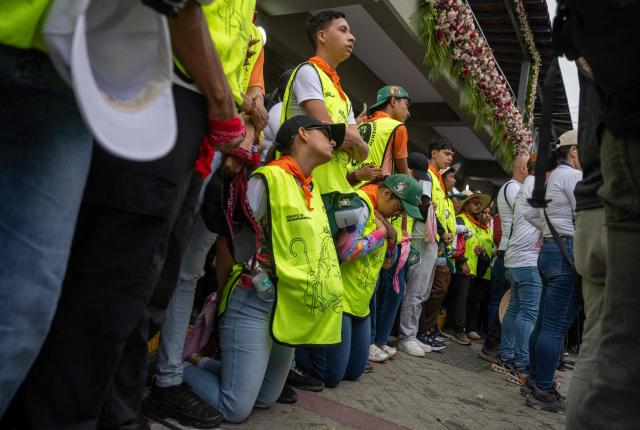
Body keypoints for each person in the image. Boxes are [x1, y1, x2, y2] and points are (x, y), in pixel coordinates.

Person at [8, 1, 248, 427]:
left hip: (192, 103)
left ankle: (116, 411)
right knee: (107, 286)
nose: (352, 35)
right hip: (161, 81)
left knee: (144, 288)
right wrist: (219, 97)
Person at [145, 9, 269, 427]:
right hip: (181, 110)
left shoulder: (253, 33)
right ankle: (150, 379)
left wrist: (244, 138)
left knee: (185, 271)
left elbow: (258, 108)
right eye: (342, 29)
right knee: (149, 258)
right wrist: (233, 115)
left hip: (222, 142)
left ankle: (166, 377)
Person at [184, 115, 346, 423]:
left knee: (266, 398)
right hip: (253, 301)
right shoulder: (267, 179)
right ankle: (173, 371)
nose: (334, 141)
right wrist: (222, 303)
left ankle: (201, 365)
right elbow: (227, 244)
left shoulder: (308, 188)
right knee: (234, 409)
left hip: (289, 308)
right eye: (326, 133)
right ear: (302, 134)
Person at [296, 174, 423, 387]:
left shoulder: (382, 214)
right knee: (331, 376)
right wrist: (380, 234)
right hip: (340, 300)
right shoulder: (359, 205)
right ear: (386, 193)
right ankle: (293, 352)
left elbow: (387, 264)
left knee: (354, 372)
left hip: (361, 305)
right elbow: (347, 252)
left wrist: (391, 239)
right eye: (399, 208)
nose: (398, 214)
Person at [280, 9, 368, 198]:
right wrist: (353, 140)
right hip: (303, 183)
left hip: (335, 189)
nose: (352, 38)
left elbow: (362, 153)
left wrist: (354, 141)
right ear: (322, 36)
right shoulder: (308, 71)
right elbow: (330, 132)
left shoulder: (342, 95)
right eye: (343, 30)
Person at [524, 129, 582, 413]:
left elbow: (530, 213)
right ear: (573, 151)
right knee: (556, 327)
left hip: (549, 250)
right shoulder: (573, 177)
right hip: (566, 252)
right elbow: (585, 213)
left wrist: (551, 229)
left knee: (544, 324)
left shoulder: (549, 179)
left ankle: (534, 380)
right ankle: (544, 389)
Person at [354, 85, 413, 363]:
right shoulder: (397, 128)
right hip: (381, 200)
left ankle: (368, 342)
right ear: (393, 101)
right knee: (373, 278)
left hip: (357, 194)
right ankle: (369, 342)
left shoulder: (364, 124)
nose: (408, 112)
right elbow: (403, 173)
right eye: (405, 105)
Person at [397, 138, 454, 357]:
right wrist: (441, 231)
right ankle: (406, 335)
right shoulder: (426, 175)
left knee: (424, 289)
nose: (449, 159)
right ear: (434, 153)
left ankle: (411, 334)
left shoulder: (436, 178)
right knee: (417, 287)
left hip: (430, 238)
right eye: (446, 154)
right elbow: (425, 206)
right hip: (422, 234)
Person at [492, 159, 543, 386]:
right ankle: (520, 365)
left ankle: (506, 356)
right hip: (527, 260)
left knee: (514, 310)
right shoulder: (535, 187)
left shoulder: (524, 187)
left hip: (514, 258)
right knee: (528, 313)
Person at [480, 154, 529, 360]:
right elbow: (523, 216)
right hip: (508, 251)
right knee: (502, 303)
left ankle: (496, 345)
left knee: (504, 302)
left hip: (508, 251)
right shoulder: (513, 188)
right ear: (523, 169)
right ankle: (491, 346)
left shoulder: (514, 188)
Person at [418, 164, 459, 351]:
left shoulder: (446, 197)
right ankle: (423, 330)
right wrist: (443, 232)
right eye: (451, 177)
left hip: (443, 246)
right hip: (432, 239)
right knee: (433, 289)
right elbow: (429, 210)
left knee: (436, 289)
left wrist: (448, 234)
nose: (455, 180)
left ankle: (430, 329)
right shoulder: (429, 177)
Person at [443, 189, 492, 346]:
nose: (478, 206)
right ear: (466, 204)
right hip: (461, 266)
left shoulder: (474, 223)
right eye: (475, 202)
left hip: (471, 268)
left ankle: (451, 327)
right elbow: (456, 243)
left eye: (479, 203)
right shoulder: (461, 220)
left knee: (461, 299)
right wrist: (462, 261)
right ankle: (458, 329)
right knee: (460, 300)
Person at [465, 204, 493, 341]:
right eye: (484, 212)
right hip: (473, 270)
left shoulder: (490, 230)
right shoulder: (475, 228)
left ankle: (474, 327)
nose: (486, 215)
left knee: (479, 302)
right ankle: (469, 328)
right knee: (472, 300)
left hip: (486, 273)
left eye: (489, 213)